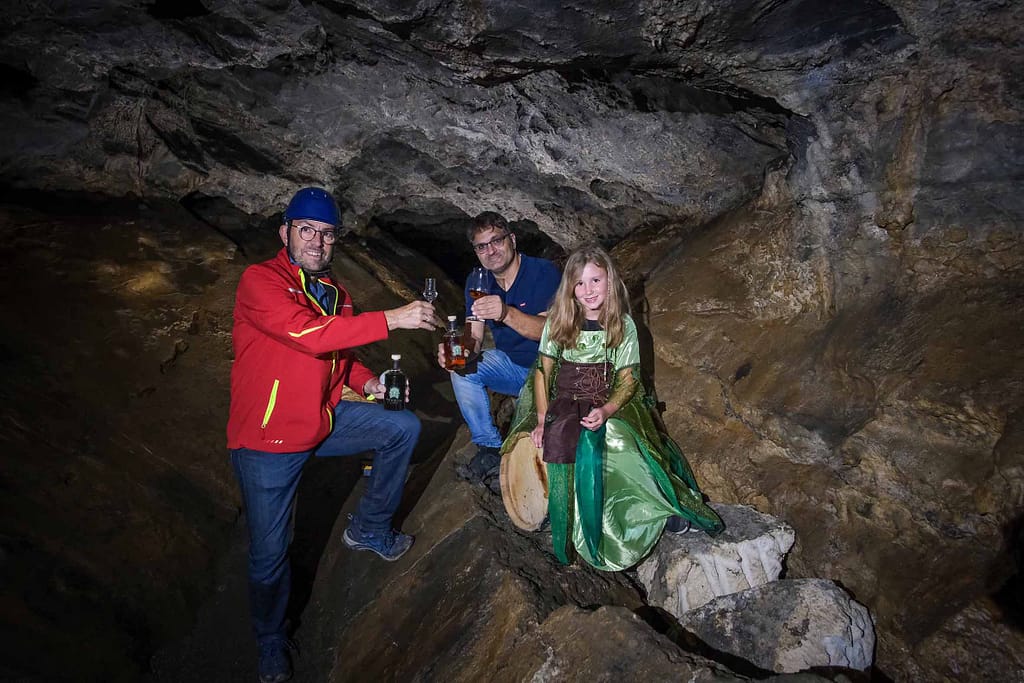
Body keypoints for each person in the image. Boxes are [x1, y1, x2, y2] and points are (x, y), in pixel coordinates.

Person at [227, 187, 441, 683]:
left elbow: (340, 357)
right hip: (268, 440)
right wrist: (393, 318)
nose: (317, 241)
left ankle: (369, 528)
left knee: (401, 427)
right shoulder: (260, 281)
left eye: (326, 233)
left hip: (321, 419)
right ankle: (270, 638)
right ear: (285, 232)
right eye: (307, 230)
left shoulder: (337, 294)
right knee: (269, 554)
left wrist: (371, 384)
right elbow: (308, 334)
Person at [501, 244, 725, 571]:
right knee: (566, 445)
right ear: (570, 288)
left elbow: (628, 379)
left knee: (620, 443)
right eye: (580, 283)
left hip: (607, 400)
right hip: (564, 402)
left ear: (609, 280)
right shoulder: (559, 322)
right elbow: (543, 371)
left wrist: (607, 410)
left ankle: (655, 512)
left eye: (596, 280)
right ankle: (573, 519)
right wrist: (541, 418)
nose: (589, 290)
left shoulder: (623, 324)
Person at [437, 211, 560, 490]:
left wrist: (505, 313)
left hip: (551, 371)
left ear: (512, 240)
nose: (490, 251)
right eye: (482, 246)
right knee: (462, 370)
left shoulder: (543, 272)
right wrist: (459, 352)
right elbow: (474, 336)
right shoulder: (478, 281)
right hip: (513, 369)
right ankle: (490, 448)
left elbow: (549, 331)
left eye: (496, 241)